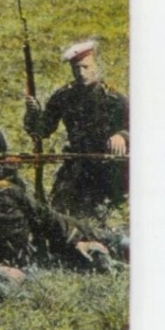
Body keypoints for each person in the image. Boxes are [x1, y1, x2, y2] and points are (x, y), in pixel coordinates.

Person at [0, 156, 112, 280]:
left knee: (103, 243)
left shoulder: (8, 192)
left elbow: (45, 216)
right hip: (21, 265)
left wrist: (76, 241)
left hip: (47, 242)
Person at [24, 39, 130, 222]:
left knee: (104, 215)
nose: (81, 73)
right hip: (77, 164)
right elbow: (42, 130)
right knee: (58, 211)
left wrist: (123, 136)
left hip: (108, 166)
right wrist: (33, 115)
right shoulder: (64, 96)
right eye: (76, 68)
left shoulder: (114, 99)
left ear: (97, 66)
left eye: (86, 67)